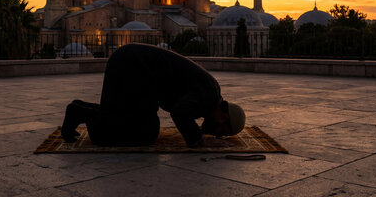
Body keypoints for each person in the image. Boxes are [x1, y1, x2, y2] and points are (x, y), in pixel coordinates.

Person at [61, 43, 246, 147]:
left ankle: (80, 110)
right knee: (142, 134)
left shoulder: (210, 92)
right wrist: (198, 140)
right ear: (223, 117)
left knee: (134, 121)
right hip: (134, 67)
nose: (216, 133)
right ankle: (83, 113)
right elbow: (180, 112)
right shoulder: (208, 97)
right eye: (222, 132)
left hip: (132, 64)